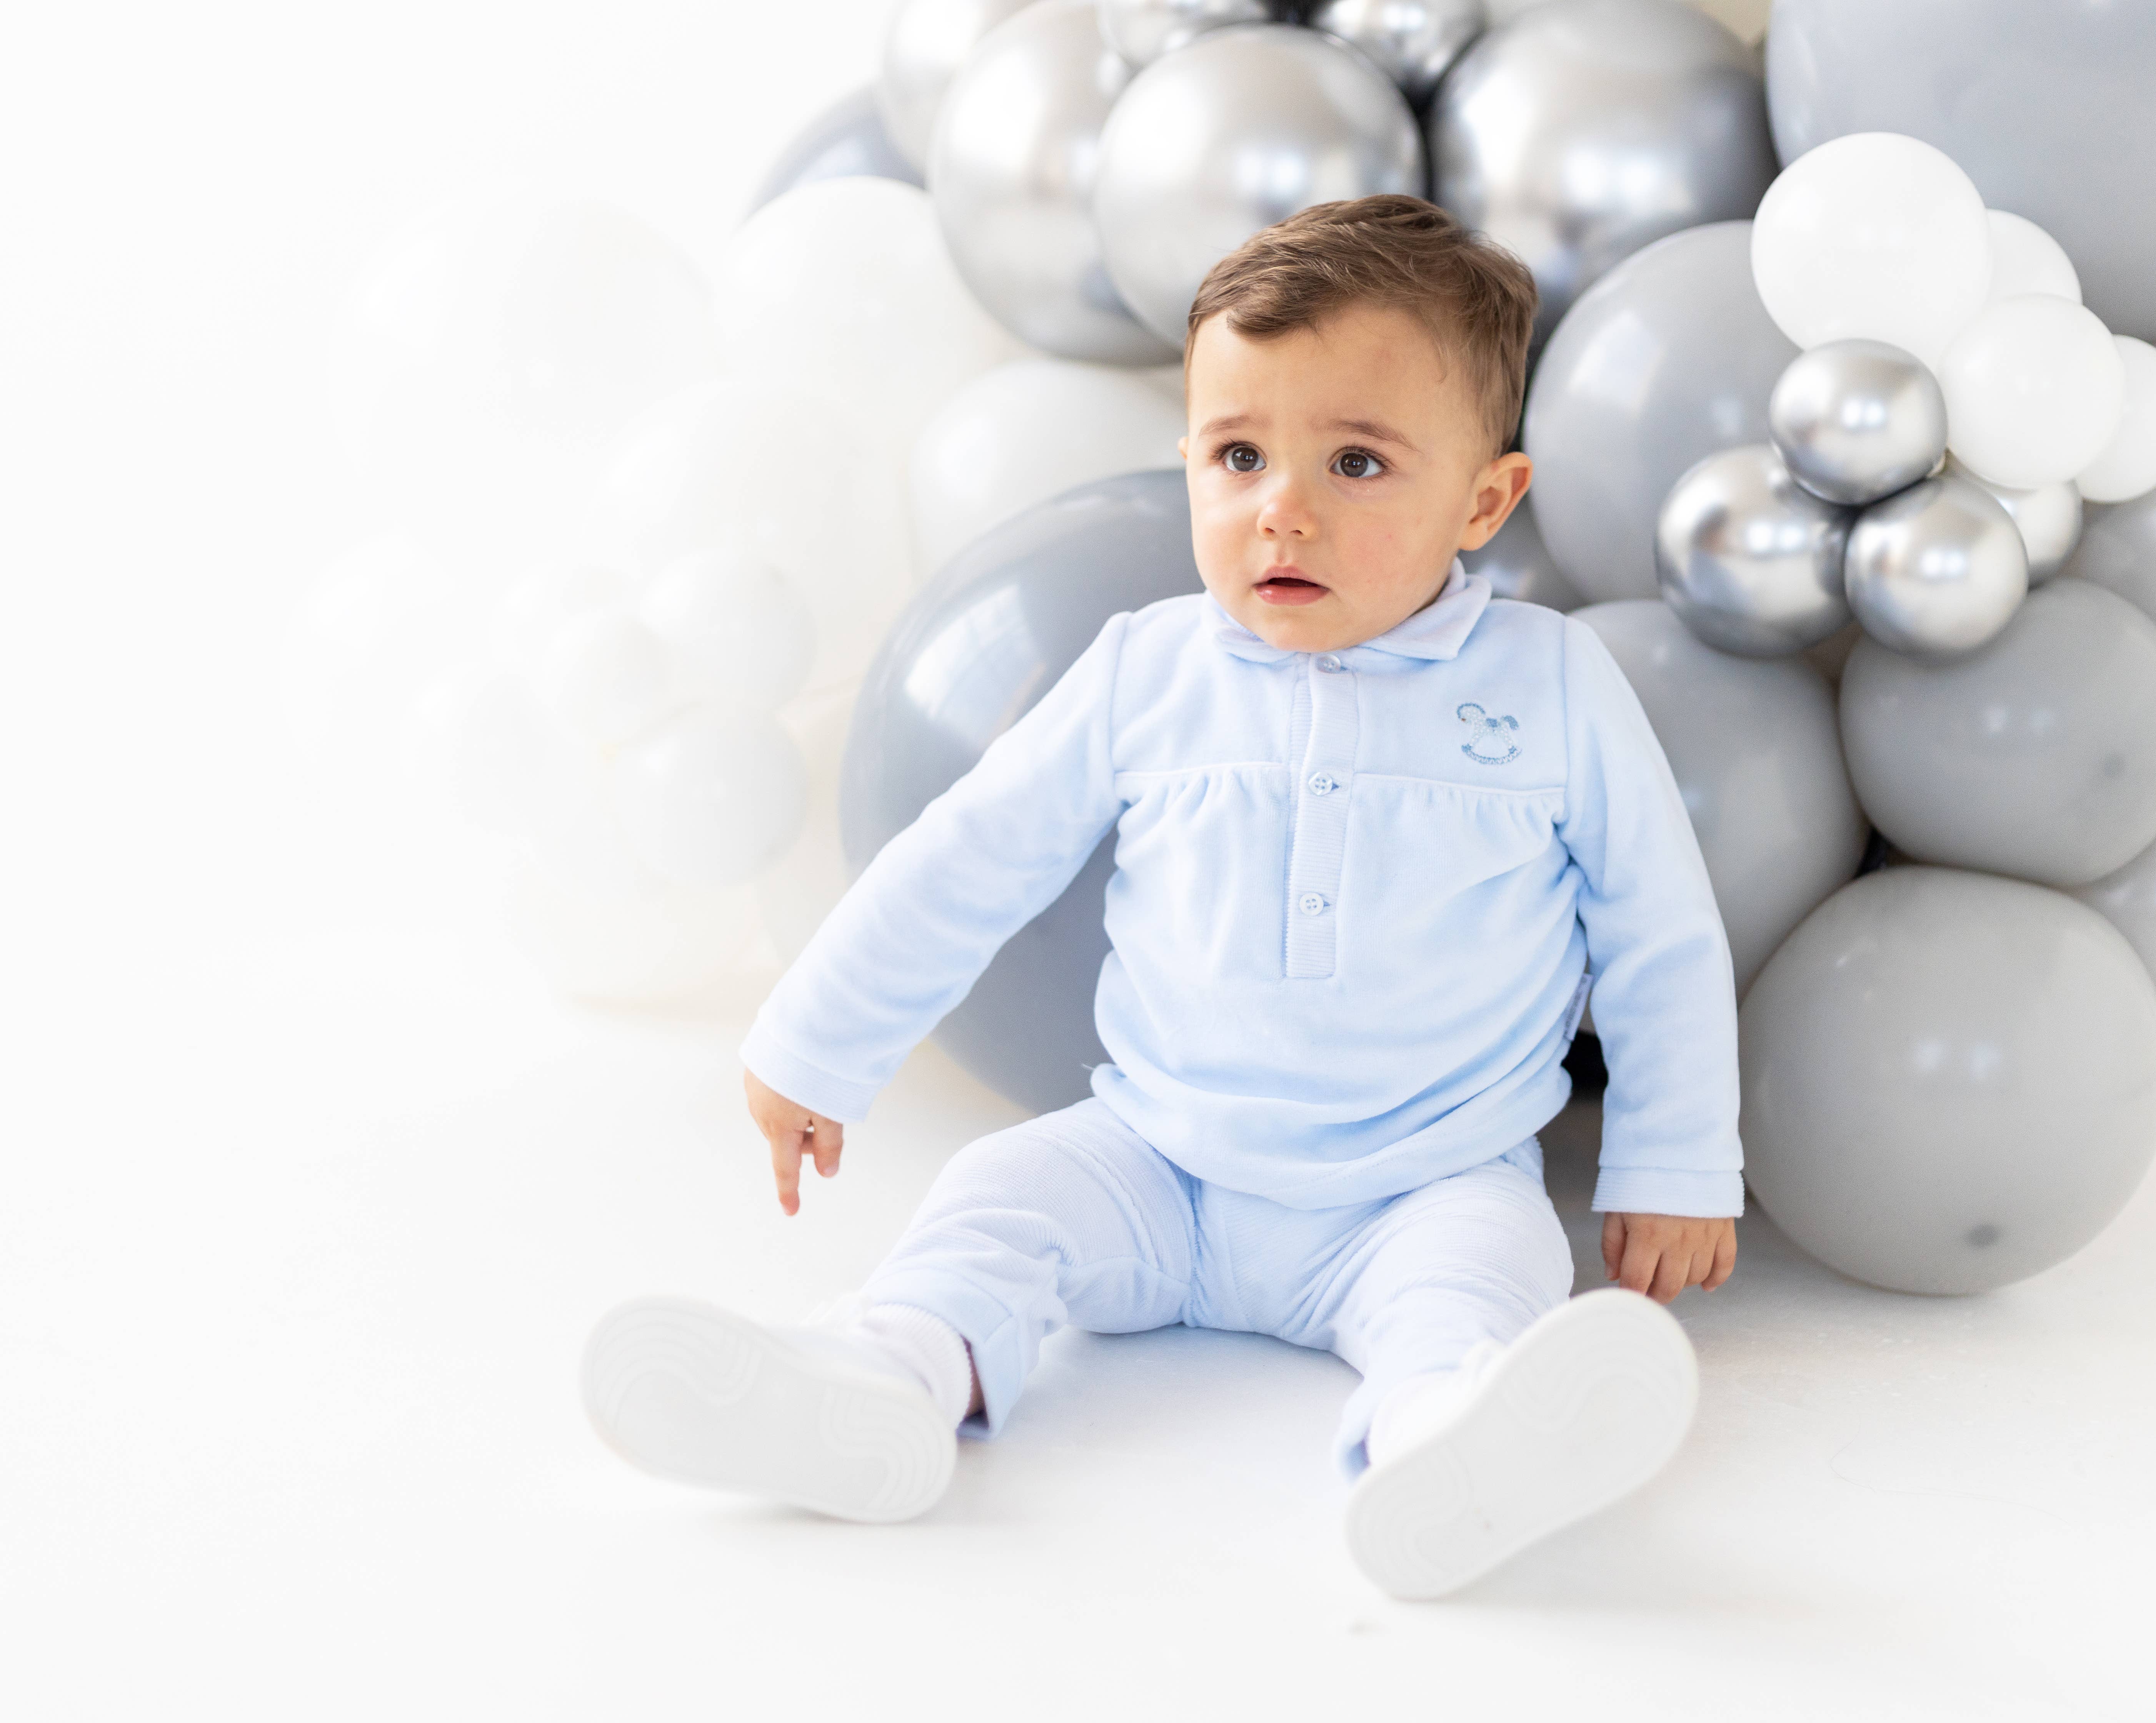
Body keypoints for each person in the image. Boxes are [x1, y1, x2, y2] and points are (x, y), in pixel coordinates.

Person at [580, 195, 1742, 1600]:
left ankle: (1443, 1441)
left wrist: (1674, 1167)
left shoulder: (1553, 688)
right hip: (1156, 1162)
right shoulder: (1148, 669)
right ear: (1187, 463)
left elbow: (1658, 934)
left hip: (1423, 1181)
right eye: (1239, 456)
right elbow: (970, 857)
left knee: (1486, 1279)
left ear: (1485, 503)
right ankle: (886, 1377)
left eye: (1358, 462)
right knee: (995, 1198)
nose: (1283, 509)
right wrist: (816, 1040)